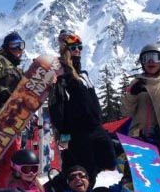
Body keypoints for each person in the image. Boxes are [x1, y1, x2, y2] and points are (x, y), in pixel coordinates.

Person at [48, 32, 116, 180]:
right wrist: (66, 134)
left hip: (97, 129)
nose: (78, 50)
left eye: (80, 47)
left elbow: (93, 103)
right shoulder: (60, 77)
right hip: (78, 134)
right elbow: (56, 110)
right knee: (85, 173)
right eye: (73, 47)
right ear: (65, 50)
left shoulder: (83, 75)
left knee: (110, 164)